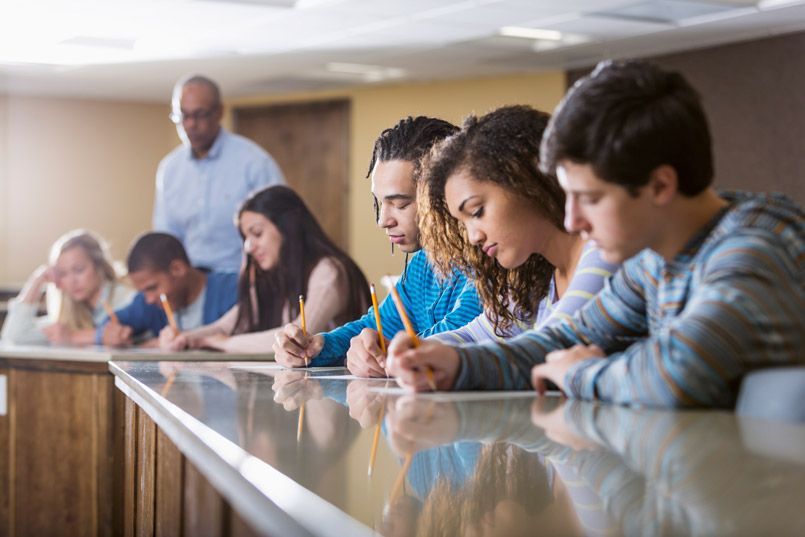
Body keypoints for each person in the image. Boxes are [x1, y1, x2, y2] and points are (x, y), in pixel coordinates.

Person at [387, 60, 804, 408]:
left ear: (660, 185)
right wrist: (454, 365)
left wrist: (580, 373)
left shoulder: (752, 250)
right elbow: (564, 339)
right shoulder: (653, 260)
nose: (573, 221)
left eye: (589, 198)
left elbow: (675, 374)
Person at [272, 116, 482, 369]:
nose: (383, 220)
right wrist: (316, 347)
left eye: (401, 204)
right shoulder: (421, 267)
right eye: (379, 203)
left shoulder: (491, 259)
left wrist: (383, 350)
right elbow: (376, 326)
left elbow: (461, 335)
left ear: (446, 195)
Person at [419, 104, 617, 347]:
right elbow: (473, 336)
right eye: (464, 223)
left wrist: (445, 359)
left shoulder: (602, 251)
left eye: (477, 211)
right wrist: (407, 352)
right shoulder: (539, 280)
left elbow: (550, 344)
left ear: (524, 179)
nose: (472, 237)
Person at [159, 185, 371, 353]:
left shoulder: (329, 271)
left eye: (257, 233)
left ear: (289, 228)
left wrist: (224, 344)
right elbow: (225, 326)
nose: (248, 247)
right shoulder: (273, 276)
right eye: (245, 238)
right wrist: (186, 337)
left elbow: (299, 337)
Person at [153, 74, 285, 273]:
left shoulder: (254, 162)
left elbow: (280, 229)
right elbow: (166, 237)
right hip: (191, 283)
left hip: (243, 276)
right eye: (182, 115)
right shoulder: (170, 168)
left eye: (199, 115)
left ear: (219, 112)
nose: (190, 124)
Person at [97, 232, 238, 347]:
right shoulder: (148, 303)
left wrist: (155, 344)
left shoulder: (233, 290)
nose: (149, 299)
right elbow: (111, 322)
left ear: (177, 269)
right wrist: (113, 334)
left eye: (152, 288)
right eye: (143, 291)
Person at [1, 230, 134, 345]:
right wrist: (37, 280)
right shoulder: (69, 314)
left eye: (79, 270)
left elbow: (126, 336)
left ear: (99, 266)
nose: (71, 281)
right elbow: (14, 336)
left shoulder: (126, 298)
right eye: (63, 273)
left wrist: (74, 337)